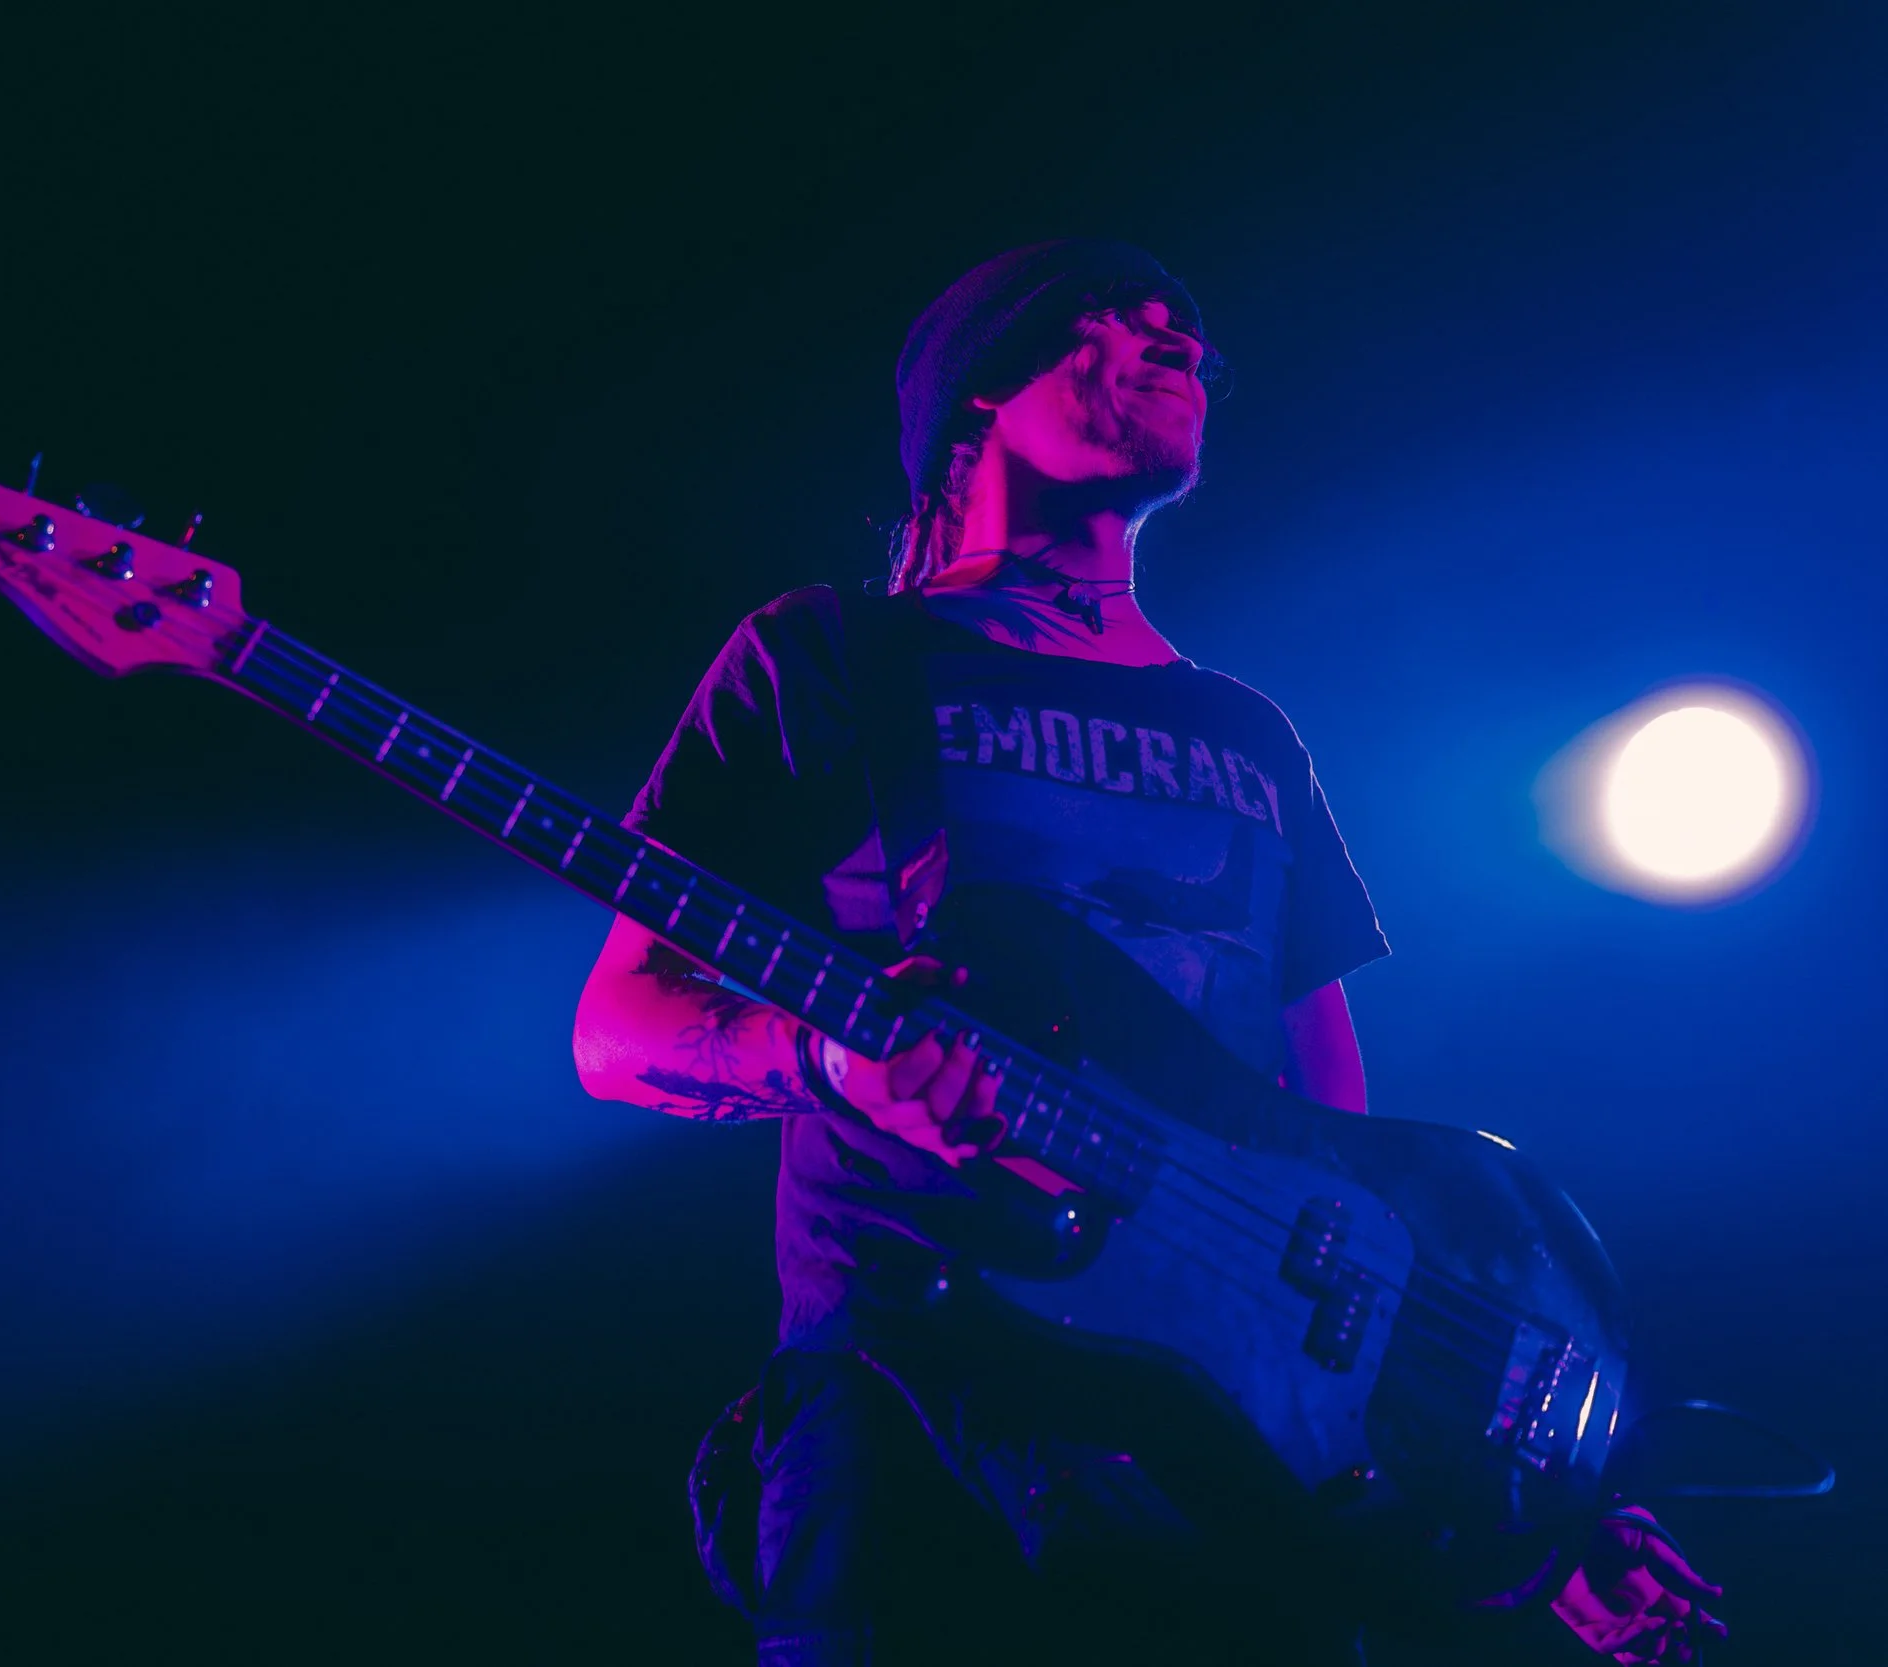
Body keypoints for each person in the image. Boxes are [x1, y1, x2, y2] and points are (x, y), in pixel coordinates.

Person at [570, 242, 1722, 1665]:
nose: (1168, 331)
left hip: (1231, 1447)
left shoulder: (1247, 731)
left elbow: (1340, 1152)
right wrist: (818, 1053)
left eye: (1180, 321)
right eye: (1101, 322)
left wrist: (1499, 1504)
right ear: (977, 401)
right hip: (923, 1386)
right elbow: (619, 1027)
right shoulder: (825, 659)